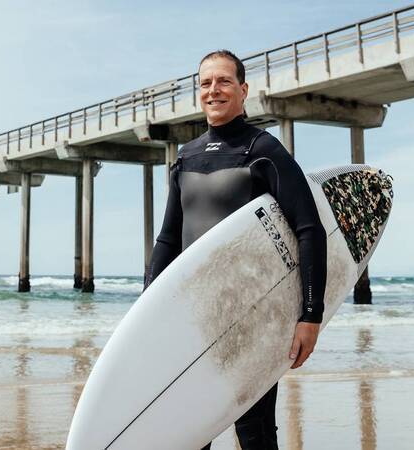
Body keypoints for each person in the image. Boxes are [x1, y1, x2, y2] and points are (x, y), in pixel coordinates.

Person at [144, 50, 327, 450]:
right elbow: (169, 240)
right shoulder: (186, 156)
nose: (214, 90)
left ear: (243, 90)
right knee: (192, 431)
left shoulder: (264, 150)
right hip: (195, 319)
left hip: (253, 319)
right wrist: (145, 314)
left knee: (255, 433)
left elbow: (310, 230)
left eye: (224, 81)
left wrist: (310, 315)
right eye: (206, 82)